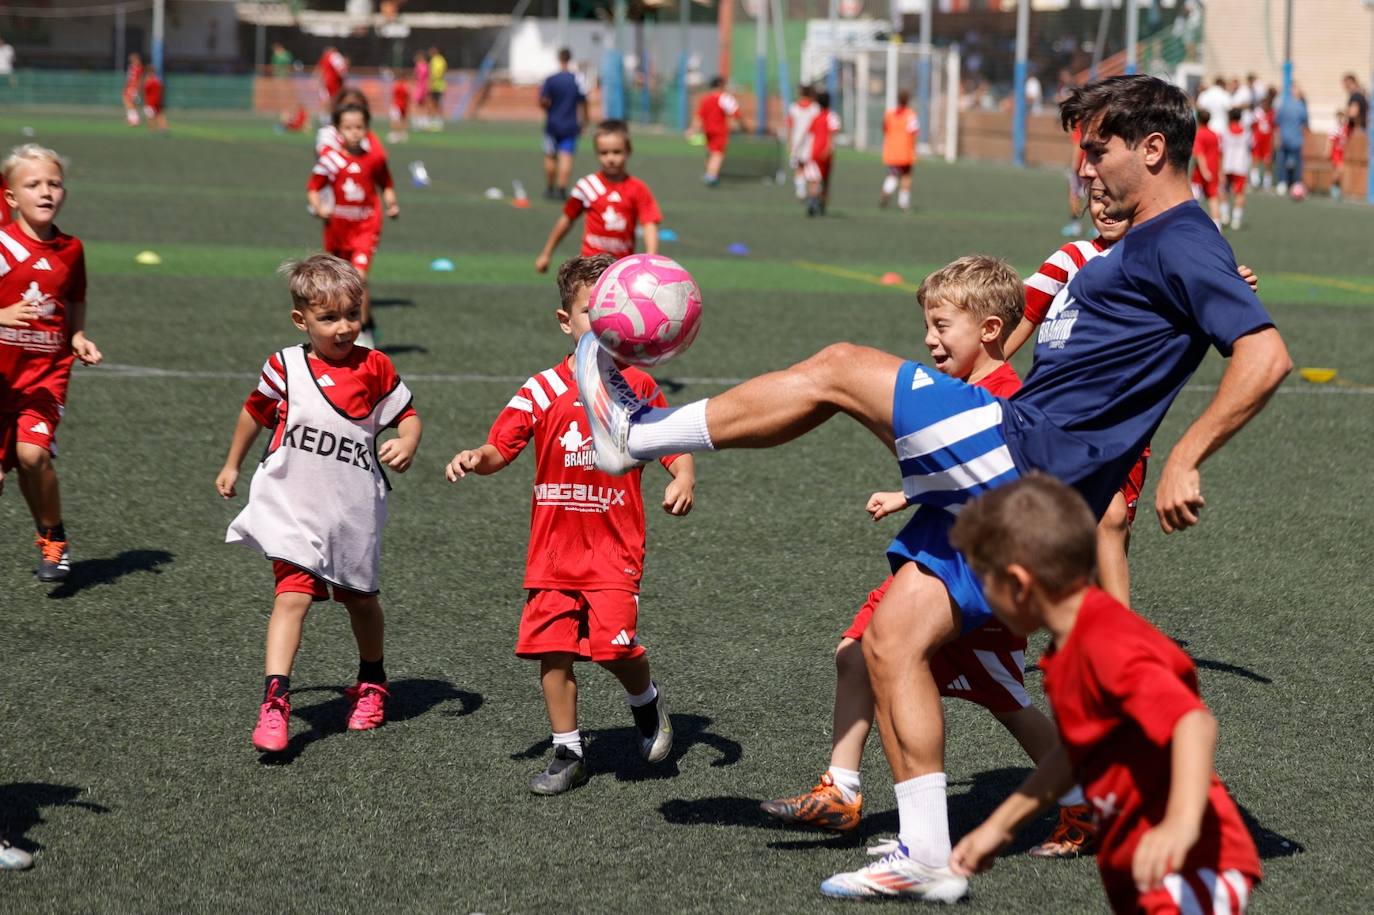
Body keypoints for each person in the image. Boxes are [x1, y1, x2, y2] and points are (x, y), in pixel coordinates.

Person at [572, 74, 1291, 901]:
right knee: (890, 642)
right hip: (1023, 482)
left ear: (1153, 148)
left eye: (1097, 150)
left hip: (1027, 457)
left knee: (841, 367)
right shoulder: (1141, 244)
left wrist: (1186, 455)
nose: (1084, 169)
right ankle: (922, 854)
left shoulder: (1181, 238)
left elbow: (1263, 354)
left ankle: (635, 438)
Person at [760, 256, 1098, 859]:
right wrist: (909, 492)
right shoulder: (961, 392)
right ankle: (841, 790)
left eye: (943, 326)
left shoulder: (1006, 401)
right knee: (856, 654)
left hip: (976, 578)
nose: (928, 340)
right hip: (934, 559)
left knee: (1005, 701)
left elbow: (1005, 488)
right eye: (928, 325)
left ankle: (1083, 801)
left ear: (989, 331)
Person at [948, 474, 1263, 914]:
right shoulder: (1065, 652)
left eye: (983, 581)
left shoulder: (1107, 643)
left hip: (1192, 865)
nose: (980, 596)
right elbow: (1077, 753)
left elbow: (1193, 722)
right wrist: (1000, 825)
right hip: (1143, 864)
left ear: (1020, 583)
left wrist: (1180, 824)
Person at [444, 254, 695, 793]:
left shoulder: (637, 388)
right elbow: (500, 447)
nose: (603, 324)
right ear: (566, 322)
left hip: (613, 549)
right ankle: (569, 751)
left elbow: (674, 444)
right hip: (553, 553)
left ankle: (645, 700)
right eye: (590, 313)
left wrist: (684, 477)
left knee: (613, 648)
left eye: (613, 313)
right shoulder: (539, 390)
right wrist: (475, 457)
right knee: (551, 651)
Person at [1009, 185, 1260, 605]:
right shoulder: (1070, 259)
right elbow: (1012, 328)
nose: (1104, 208)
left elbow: (1203, 322)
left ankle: (1101, 625)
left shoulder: (1163, 262)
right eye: (1095, 198)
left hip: (1126, 429)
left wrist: (1229, 289)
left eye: (1112, 196)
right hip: (1060, 421)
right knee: (1088, 521)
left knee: (1115, 526)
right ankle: (1113, 633)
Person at [216, 255, 422, 754]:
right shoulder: (284, 366)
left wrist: (408, 441)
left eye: (352, 314)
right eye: (329, 318)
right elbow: (253, 413)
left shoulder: (376, 366)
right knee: (292, 597)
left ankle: (372, 680)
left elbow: (409, 414)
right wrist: (232, 464)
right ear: (301, 320)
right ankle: (275, 700)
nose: (345, 327)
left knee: (361, 601)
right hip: (294, 507)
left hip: (353, 509)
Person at [0, 144, 103, 582]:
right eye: (33, 184)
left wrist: (77, 335)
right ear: (10, 198)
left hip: (44, 375)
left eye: (54, 183)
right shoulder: (3, 246)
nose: (46, 192)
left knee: (33, 454)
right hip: (1, 377)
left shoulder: (71, 249)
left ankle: (53, 535)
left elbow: (74, 298)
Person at [307, 103, 399, 350]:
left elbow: (386, 184)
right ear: (338, 130)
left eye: (359, 127)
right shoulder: (331, 161)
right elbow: (314, 189)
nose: (354, 132)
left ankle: (363, 331)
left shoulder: (375, 158)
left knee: (358, 279)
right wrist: (319, 207)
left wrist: (391, 204)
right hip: (338, 230)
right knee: (338, 284)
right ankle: (348, 330)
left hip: (366, 228)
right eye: (348, 128)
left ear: (367, 129)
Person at [534, 120, 660, 273]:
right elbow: (567, 219)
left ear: (628, 151)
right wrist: (547, 253)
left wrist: (651, 259)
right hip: (589, 267)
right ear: (597, 153)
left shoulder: (638, 188)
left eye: (617, 152)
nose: (610, 158)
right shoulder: (587, 186)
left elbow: (649, 224)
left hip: (621, 270)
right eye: (604, 153)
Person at [540, 49, 588, 200]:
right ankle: (561, 190)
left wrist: (548, 109)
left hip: (552, 124)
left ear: (559, 59)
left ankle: (549, 188)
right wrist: (585, 121)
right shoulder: (576, 79)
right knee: (566, 157)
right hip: (570, 124)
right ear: (570, 59)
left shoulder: (551, 79)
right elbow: (583, 102)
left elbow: (543, 101)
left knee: (550, 156)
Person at [689, 76, 744, 186]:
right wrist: (737, 124)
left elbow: (698, 117)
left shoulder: (705, 99)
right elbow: (736, 113)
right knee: (718, 154)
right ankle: (711, 177)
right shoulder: (724, 97)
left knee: (711, 152)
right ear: (720, 85)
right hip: (720, 131)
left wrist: (693, 130)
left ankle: (709, 173)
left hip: (707, 131)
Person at [879, 89, 919, 212]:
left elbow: (885, 129)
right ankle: (903, 203)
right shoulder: (911, 115)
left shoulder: (889, 114)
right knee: (906, 177)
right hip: (905, 152)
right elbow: (914, 132)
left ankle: (887, 189)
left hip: (891, 151)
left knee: (893, 174)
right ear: (908, 100)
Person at [802, 91, 841, 217]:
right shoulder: (832, 116)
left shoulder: (815, 117)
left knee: (814, 180)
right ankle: (822, 206)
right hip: (826, 153)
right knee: (825, 181)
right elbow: (832, 133)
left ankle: (812, 203)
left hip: (814, 152)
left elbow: (810, 134)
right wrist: (829, 149)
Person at [786, 84, 819, 200]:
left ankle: (801, 190)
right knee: (811, 167)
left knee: (799, 167)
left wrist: (789, 141)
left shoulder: (793, 108)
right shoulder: (815, 108)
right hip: (811, 142)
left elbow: (790, 126)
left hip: (797, 141)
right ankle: (812, 192)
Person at [1274, 86, 1308, 197]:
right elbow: (1306, 125)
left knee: (1283, 162)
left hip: (1286, 138)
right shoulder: (1301, 106)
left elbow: (1277, 122)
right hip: (1295, 139)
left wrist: (1278, 137)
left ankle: (1283, 184)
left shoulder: (1284, 105)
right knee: (1295, 164)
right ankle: (1295, 184)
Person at [1191, 109, 1222, 229]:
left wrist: (1204, 171)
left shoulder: (1199, 133)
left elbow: (1199, 154)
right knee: (1213, 197)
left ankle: (1191, 225)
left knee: (1193, 199)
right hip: (1214, 168)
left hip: (1201, 172)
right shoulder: (1214, 134)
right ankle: (1217, 227)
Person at [1220, 108, 1251, 228]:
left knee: (1224, 190)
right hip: (1241, 165)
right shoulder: (1246, 132)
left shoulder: (1226, 131)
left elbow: (1222, 150)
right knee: (1239, 193)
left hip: (1227, 164)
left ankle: (1225, 215)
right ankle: (1236, 219)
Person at [1250, 89, 1275, 189]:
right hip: (1258, 140)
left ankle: (1267, 181)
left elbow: (1274, 128)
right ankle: (1254, 179)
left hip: (1267, 141)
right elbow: (1252, 126)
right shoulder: (1257, 113)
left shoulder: (1272, 114)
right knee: (1255, 159)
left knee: (1268, 161)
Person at [315, 46, 348, 121]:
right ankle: (331, 120)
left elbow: (320, 70)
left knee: (327, 102)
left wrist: (317, 80)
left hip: (328, 82)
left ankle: (326, 121)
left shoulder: (331, 56)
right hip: (335, 83)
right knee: (333, 102)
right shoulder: (336, 57)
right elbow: (342, 71)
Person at [1326, 110, 1349, 200]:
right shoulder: (1335, 129)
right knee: (1340, 170)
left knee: (1337, 172)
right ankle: (1332, 187)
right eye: (1341, 118)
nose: (1342, 120)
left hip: (1341, 153)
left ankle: (1335, 189)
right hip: (1335, 153)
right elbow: (1330, 141)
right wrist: (1327, 151)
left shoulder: (1345, 129)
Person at [426, 46, 447, 131]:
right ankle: (435, 121)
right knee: (435, 104)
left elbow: (437, 73)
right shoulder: (439, 60)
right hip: (437, 85)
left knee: (435, 104)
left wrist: (431, 83)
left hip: (436, 85)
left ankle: (437, 122)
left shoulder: (438, 60)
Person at [142, 69, 167, 134]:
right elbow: (162, 90)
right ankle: (163, 128)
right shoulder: (159, 81)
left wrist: (145, 81)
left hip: (150, 102)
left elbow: (145, 89)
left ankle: (152, 129)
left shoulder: (149, 82)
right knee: (160, 114)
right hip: (158, 101)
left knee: (150, 116)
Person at [410, 51, 430, 131]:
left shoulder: (418, 66)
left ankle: (416, 121)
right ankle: (423, 121)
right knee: (423, 105)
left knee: (415, 104)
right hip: (425, 87)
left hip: (419, 87)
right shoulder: (426, 66)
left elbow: (415, 76)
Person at [388, 70, 409, 144]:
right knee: (402, 119)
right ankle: (402, 134)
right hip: (403, 105)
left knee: (395, 120)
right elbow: (408, 95)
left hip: (397, 104)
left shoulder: (398, 85)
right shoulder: (405, 85)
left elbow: (394, 95)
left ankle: (396, 134)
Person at [123, 52, 143, 126]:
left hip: (134, 87)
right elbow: (128, 78)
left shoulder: (138, 68)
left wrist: (138, 89)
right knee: (128, 101)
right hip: (130, 86)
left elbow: (139, 79)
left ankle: (135, 119)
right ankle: (131, 118)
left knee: (131, 103)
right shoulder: (132, 67)